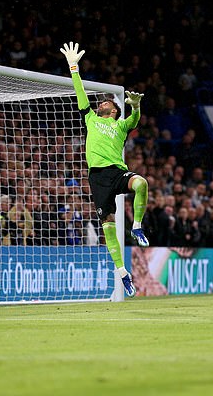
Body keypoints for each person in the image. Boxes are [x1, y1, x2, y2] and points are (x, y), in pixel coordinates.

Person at [60, 41, 150, 297]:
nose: (101, 103)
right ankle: (123, 274)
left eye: (106, 103)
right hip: (97, 177)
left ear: (114, 109)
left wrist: (136, 105)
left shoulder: (120, 125)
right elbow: (80, 93)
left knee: (141, 183)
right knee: (107, 224)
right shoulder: (90, 118)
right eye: (101, 103)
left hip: (116, 172)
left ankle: (137, 226)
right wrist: (74, 67)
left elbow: (134, 119)